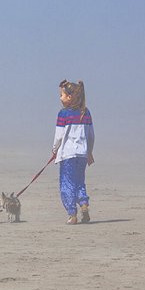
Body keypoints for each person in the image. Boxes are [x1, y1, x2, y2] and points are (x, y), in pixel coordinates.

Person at [52, 79, 95, 225]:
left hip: (67, 155)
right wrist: (89, 152)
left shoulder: (63, 114)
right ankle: (83, 203)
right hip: (82, 154)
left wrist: (54, 149)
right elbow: (91, 135)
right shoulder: (85, 113)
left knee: (67, 184)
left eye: (61, 95)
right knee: (80, 182)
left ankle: (72, 214)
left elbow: (58, 136)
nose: (60, 98)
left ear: (69, 97)